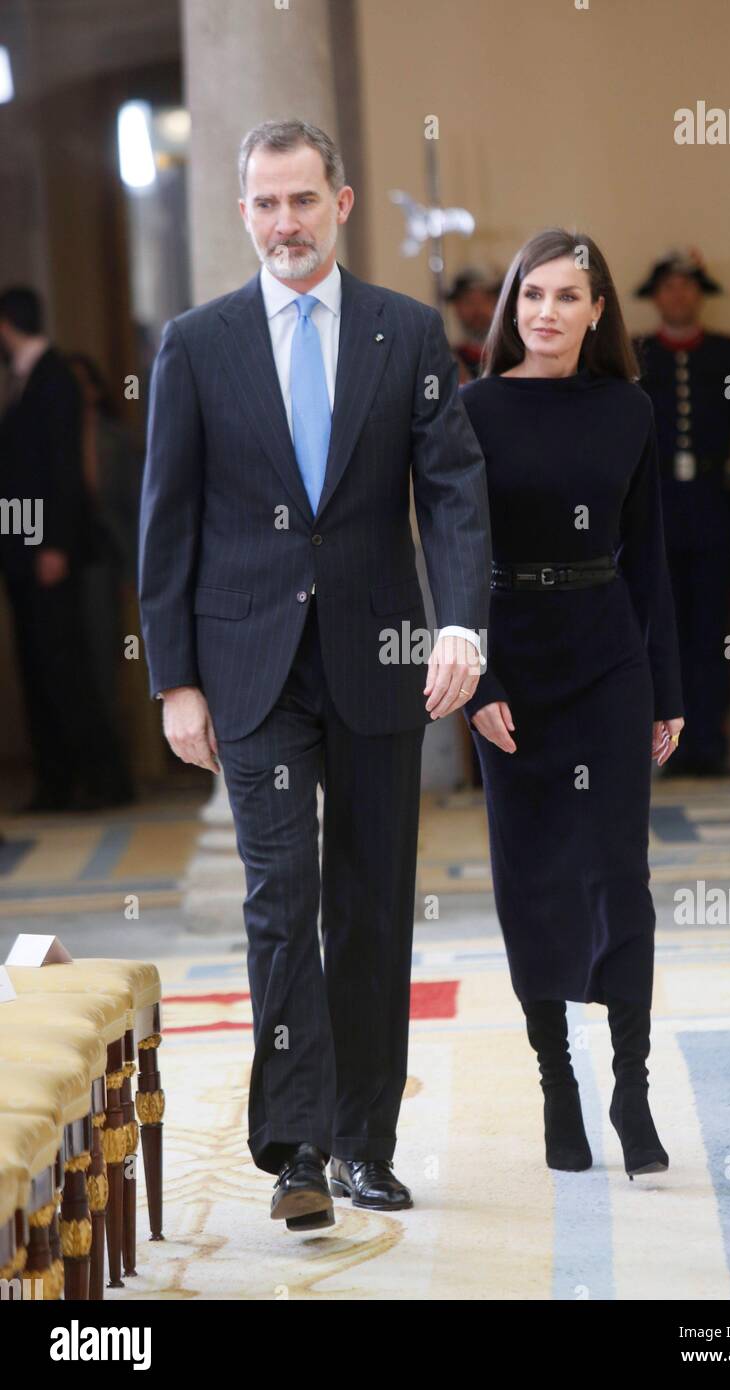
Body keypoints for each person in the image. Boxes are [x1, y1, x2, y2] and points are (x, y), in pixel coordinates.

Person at [137, 119, 492, 1230]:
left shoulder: (407, 333)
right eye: (264, 203)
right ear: (242, 212)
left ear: (341, 202)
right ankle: (296, 1148)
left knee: (374, 905)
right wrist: (174, 678)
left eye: (303, 199)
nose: (284, 222)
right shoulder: (198, 343)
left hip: (380, 657)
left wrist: (462, 625)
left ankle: (363, 1143)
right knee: (280, 901)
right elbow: (169, 517)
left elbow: (450, 491)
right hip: (248, 665)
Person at [460, 228, 685, 1180]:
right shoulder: (471, 410)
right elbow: (453, 555)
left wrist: (666, 688)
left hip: (607, 659)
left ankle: (631, 1086)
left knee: (616, 874)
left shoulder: (628, 408)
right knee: (531, 879)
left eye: (567, 297)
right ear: (514, 307)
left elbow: (651, 559)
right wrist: (479, 683)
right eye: (533, 295)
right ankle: (558, 1081)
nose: (547, 312)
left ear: (599, 312)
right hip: (513, 659)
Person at [632, 250, 730, 775]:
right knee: (663, 633)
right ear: (657, 294)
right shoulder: (638, 353)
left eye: (687, 286)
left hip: (716, 508)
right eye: (669, 286)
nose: (678, 295)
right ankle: (670, 747)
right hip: (658, 511)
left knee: (716, 633)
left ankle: (712, 743)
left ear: (699, 293)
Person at [0, 286, 128, 812]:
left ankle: (103, 780)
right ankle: (57, 781)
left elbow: (60, 472)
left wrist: (51, 545)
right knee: (38, 666)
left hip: (45, 550)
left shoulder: (53, 377)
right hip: (23, 548)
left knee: (63, 668)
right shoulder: (26, 380)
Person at [68, 352, 142, 806]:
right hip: (68, 570)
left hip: (107, 566)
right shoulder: (51, 442)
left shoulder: (120, 442)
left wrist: (134, 572)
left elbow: (138, 514)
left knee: (105, 673)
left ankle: (117, 778)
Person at [445, 268, 500, 384]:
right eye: (466, 302)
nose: (475, 310)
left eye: (480, 300)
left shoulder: (516, 351)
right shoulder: (454, 356)